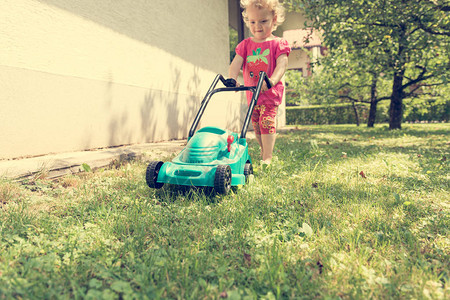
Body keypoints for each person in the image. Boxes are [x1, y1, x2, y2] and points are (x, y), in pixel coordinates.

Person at [229, 0, 290, 164]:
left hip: (270, 93)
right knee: (256, 125)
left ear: (274, 19)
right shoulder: (245, 45)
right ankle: (265, 151)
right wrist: (232, 79)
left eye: (263, 21)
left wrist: (272, 81)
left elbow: (282, 64)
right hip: (252, 94)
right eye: (253, 21)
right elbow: (235, 64)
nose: (258, 26)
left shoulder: (278, 43)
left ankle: (267, 157)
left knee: (267, 122)